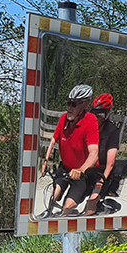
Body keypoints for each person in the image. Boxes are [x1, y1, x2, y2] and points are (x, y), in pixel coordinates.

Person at [40, 84, 99, 216]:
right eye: (68, 103)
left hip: (83, 174)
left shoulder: (90, 121)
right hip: (65, 168)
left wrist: (81, 169)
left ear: (85, 104)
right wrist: (45, 160)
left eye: (74, 104)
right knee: (51, 197)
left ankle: (71, 224)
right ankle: (48, 221)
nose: (69, 108)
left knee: (67, 208)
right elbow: (53, 140)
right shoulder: (63, 119)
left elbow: (94, 153)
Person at [83, 93, 123, 215]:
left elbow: (110, 163)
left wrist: (101, 181)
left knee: (91, 205)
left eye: (99, 114)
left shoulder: (112, 131)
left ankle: (98, 207)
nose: (96, 117)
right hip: (88, 168)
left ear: (106, 115)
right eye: (93, 113)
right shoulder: (89, 126)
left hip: (102, 171)